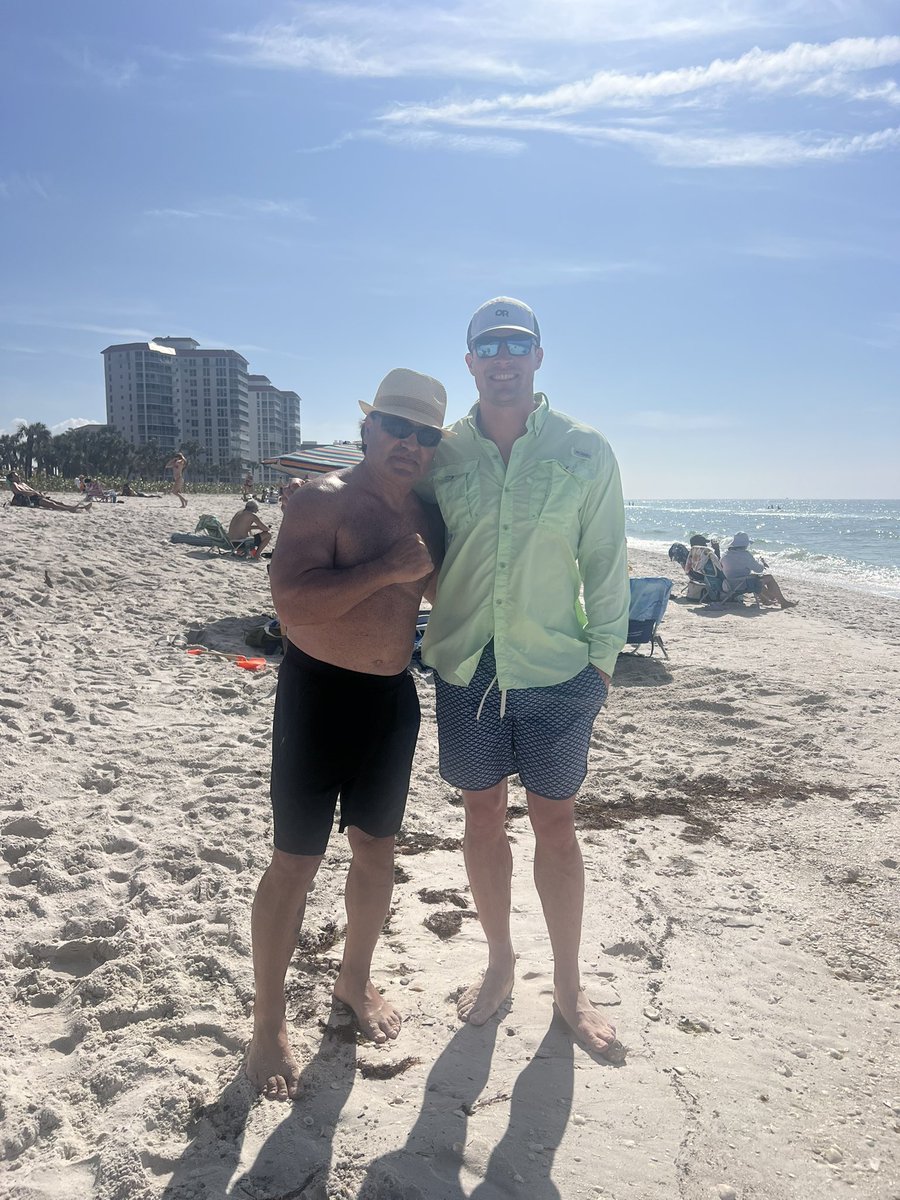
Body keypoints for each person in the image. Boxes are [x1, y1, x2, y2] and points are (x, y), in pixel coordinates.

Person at [420, 297, 629, 1057]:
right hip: (467, 663)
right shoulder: (442, 455)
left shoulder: (585, 450)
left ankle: (568, 986)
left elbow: (606, 560)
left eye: (517, 344)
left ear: (538, 357)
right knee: (481, 816)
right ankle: (501, 962)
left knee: (557, 827)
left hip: (557, 668)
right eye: (488, 346)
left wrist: (603, 663)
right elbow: (414, 545)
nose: (503, 358)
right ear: (469, 361)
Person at [245, 368, 446, 1102]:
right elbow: (291, 602)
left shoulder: (430, 511)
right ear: (369, 427)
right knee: (294, 863)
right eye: (397, 426)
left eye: (426, 435)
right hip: (317, 697)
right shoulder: (323, 500)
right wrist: (386, 567)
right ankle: (267, 1025)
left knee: (376, 854)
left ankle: (353, 983)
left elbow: (444, 591)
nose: (409, 443)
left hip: (391, 701)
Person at [721, 532, 798, 608]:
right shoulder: (745, 555)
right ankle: (783, 602)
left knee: (755, 578)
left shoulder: (725, 555)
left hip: (729, 583)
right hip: (741, 584)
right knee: (769, 578)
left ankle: (766, 599)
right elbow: (759, 569)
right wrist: (762, 562)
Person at [6, 471, 90, 513]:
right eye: (16, 476)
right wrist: (34, 493)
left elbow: (31, 489)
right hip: (29, 499)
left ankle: (78, 508)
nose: (18, 477)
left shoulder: (22, 483)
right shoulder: (14, 484)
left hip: (34, 496)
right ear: (12, 478)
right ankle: (72, 510)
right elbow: (19, 492)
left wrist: (38, 493)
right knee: (52, 505)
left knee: (57, 502)